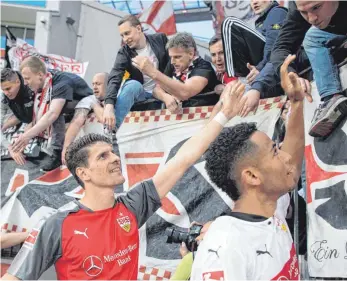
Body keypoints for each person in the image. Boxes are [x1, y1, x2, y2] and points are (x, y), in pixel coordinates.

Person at [2, 81, 246, 280]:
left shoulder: (132, 204)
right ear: (84, 174)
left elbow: (183, 159)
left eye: (112, 152)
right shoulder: (57, 224)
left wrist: (223, 115)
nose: (114, 158)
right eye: (103, 156)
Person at [191, 54, 311, 280]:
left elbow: (292, 166)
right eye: (275, 152)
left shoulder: (269, 208)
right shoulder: (224, 247)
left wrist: (296, 102)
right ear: (253, 176)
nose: (285, 158)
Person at [270, 1, 347, 138]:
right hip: (336, 34)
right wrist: (289, 75)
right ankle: (331, 97)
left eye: (316, 7)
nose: (311, 19)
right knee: (311, 37)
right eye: (303, 12)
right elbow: (280, 48)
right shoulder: (298, 7)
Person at [9, 56, 93, 171]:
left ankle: (57, 151)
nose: (26, 83)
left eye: (27, 78)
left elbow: (52, 114)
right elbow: (34, 117)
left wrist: (27, 136)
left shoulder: (61, 84)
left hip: (86, 103)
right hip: (70, 105)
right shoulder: (45, 80)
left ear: (39, 74)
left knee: (53, 109)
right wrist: (24, 136)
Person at [103, 15, 170, 130]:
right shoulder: (124, 53)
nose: (125, 39)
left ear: (138, 28)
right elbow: (115, 76)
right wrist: (108, 105)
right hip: (142, 94)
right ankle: (112, 131)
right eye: (122, 35)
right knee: (132, 85)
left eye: (127, 33)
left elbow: (172, 64)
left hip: (164, 89)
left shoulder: (160, 39)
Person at [132, 32, 220, 113]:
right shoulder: (173, 65)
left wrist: (153, 72)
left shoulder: (204, 67)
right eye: (171, 57)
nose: (172, 61)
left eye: (177, 57)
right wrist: (166, 97)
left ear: (191, 53)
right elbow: (156, 89)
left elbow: (185, 92)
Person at [62, 72, 108, 165]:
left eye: (98, 84)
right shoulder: (88, 100)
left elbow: (106, 120)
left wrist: (95, 106)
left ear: (109, 85)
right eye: (93, 84)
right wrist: (66, 148)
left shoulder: (119, 96)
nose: (94, 87)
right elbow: (76, 123)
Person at [0, 68, 36, 165]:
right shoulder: (4, 97)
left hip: (39, 112)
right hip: (24, 115)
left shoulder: (31, 87)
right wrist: (10, 148)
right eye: (3, 89)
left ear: (17, 82)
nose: (6, 93)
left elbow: (35, 119)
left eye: (8, 89)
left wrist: (23, 139)